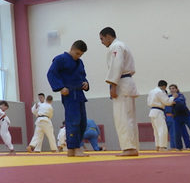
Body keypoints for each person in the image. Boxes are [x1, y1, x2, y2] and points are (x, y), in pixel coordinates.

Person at [99, 27, 139, 157]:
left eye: (102, 39)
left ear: (109, 36)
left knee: (122, 118)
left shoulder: (116, 46)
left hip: (121, 84)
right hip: (126, 83)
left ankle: (129, 148)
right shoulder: (122, 45)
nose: (102, 42)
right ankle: (132, 147)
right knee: (129, 118)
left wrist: (113, 85)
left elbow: (117, 65)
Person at [47, 40, 90, 157]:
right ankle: (75, 147)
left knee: (83, 123)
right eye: (77, 53)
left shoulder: (80, 62)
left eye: (80, 54)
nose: (78, 56)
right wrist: (60, 88)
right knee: (73, 121)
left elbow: (83, 76)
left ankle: (72, 149)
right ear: (71, 49)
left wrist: (86, 83)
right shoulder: (60, 59)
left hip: (80, 94)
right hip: (69, 94)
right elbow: (51, 74)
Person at [147, 80, 173, 151]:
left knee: (156, 130)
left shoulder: (151, 91)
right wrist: (172, 98)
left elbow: (148, 102)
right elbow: (167, 102)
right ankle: (162, 147)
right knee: (162, 129)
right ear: (164, 86)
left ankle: (158, 146)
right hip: (158, 111)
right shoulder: (160, 92)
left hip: (152, 111)